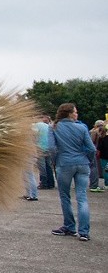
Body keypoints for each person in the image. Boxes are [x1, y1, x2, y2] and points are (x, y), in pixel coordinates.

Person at [49, 103, 96, 241]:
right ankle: (84, 232)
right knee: (82, 197)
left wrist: (55, 161)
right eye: (75, 112)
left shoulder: (54, 127)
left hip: (64, 163)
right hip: (82, 163)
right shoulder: (82, 128)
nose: (77, 114)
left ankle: (69, 226)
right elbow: (91, 149)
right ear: (69, 113)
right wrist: (88, 160)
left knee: (65, 197)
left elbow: (51, 148)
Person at [35, 115, 55, 189]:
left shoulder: (36, 126)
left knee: (42, 167)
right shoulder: (48, 126)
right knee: (48, 166)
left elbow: (34, 137)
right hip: (48, 148)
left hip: (40, 148)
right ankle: (51, 183)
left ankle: (44, 183)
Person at [88, 121, 106, 192]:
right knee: (96, 167)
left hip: (93, 151)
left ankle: (94, 184)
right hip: (98, 151)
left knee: (94, 167)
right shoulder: (102, 132)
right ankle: (94, 184)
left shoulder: (93, 131)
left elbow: (91, 142)